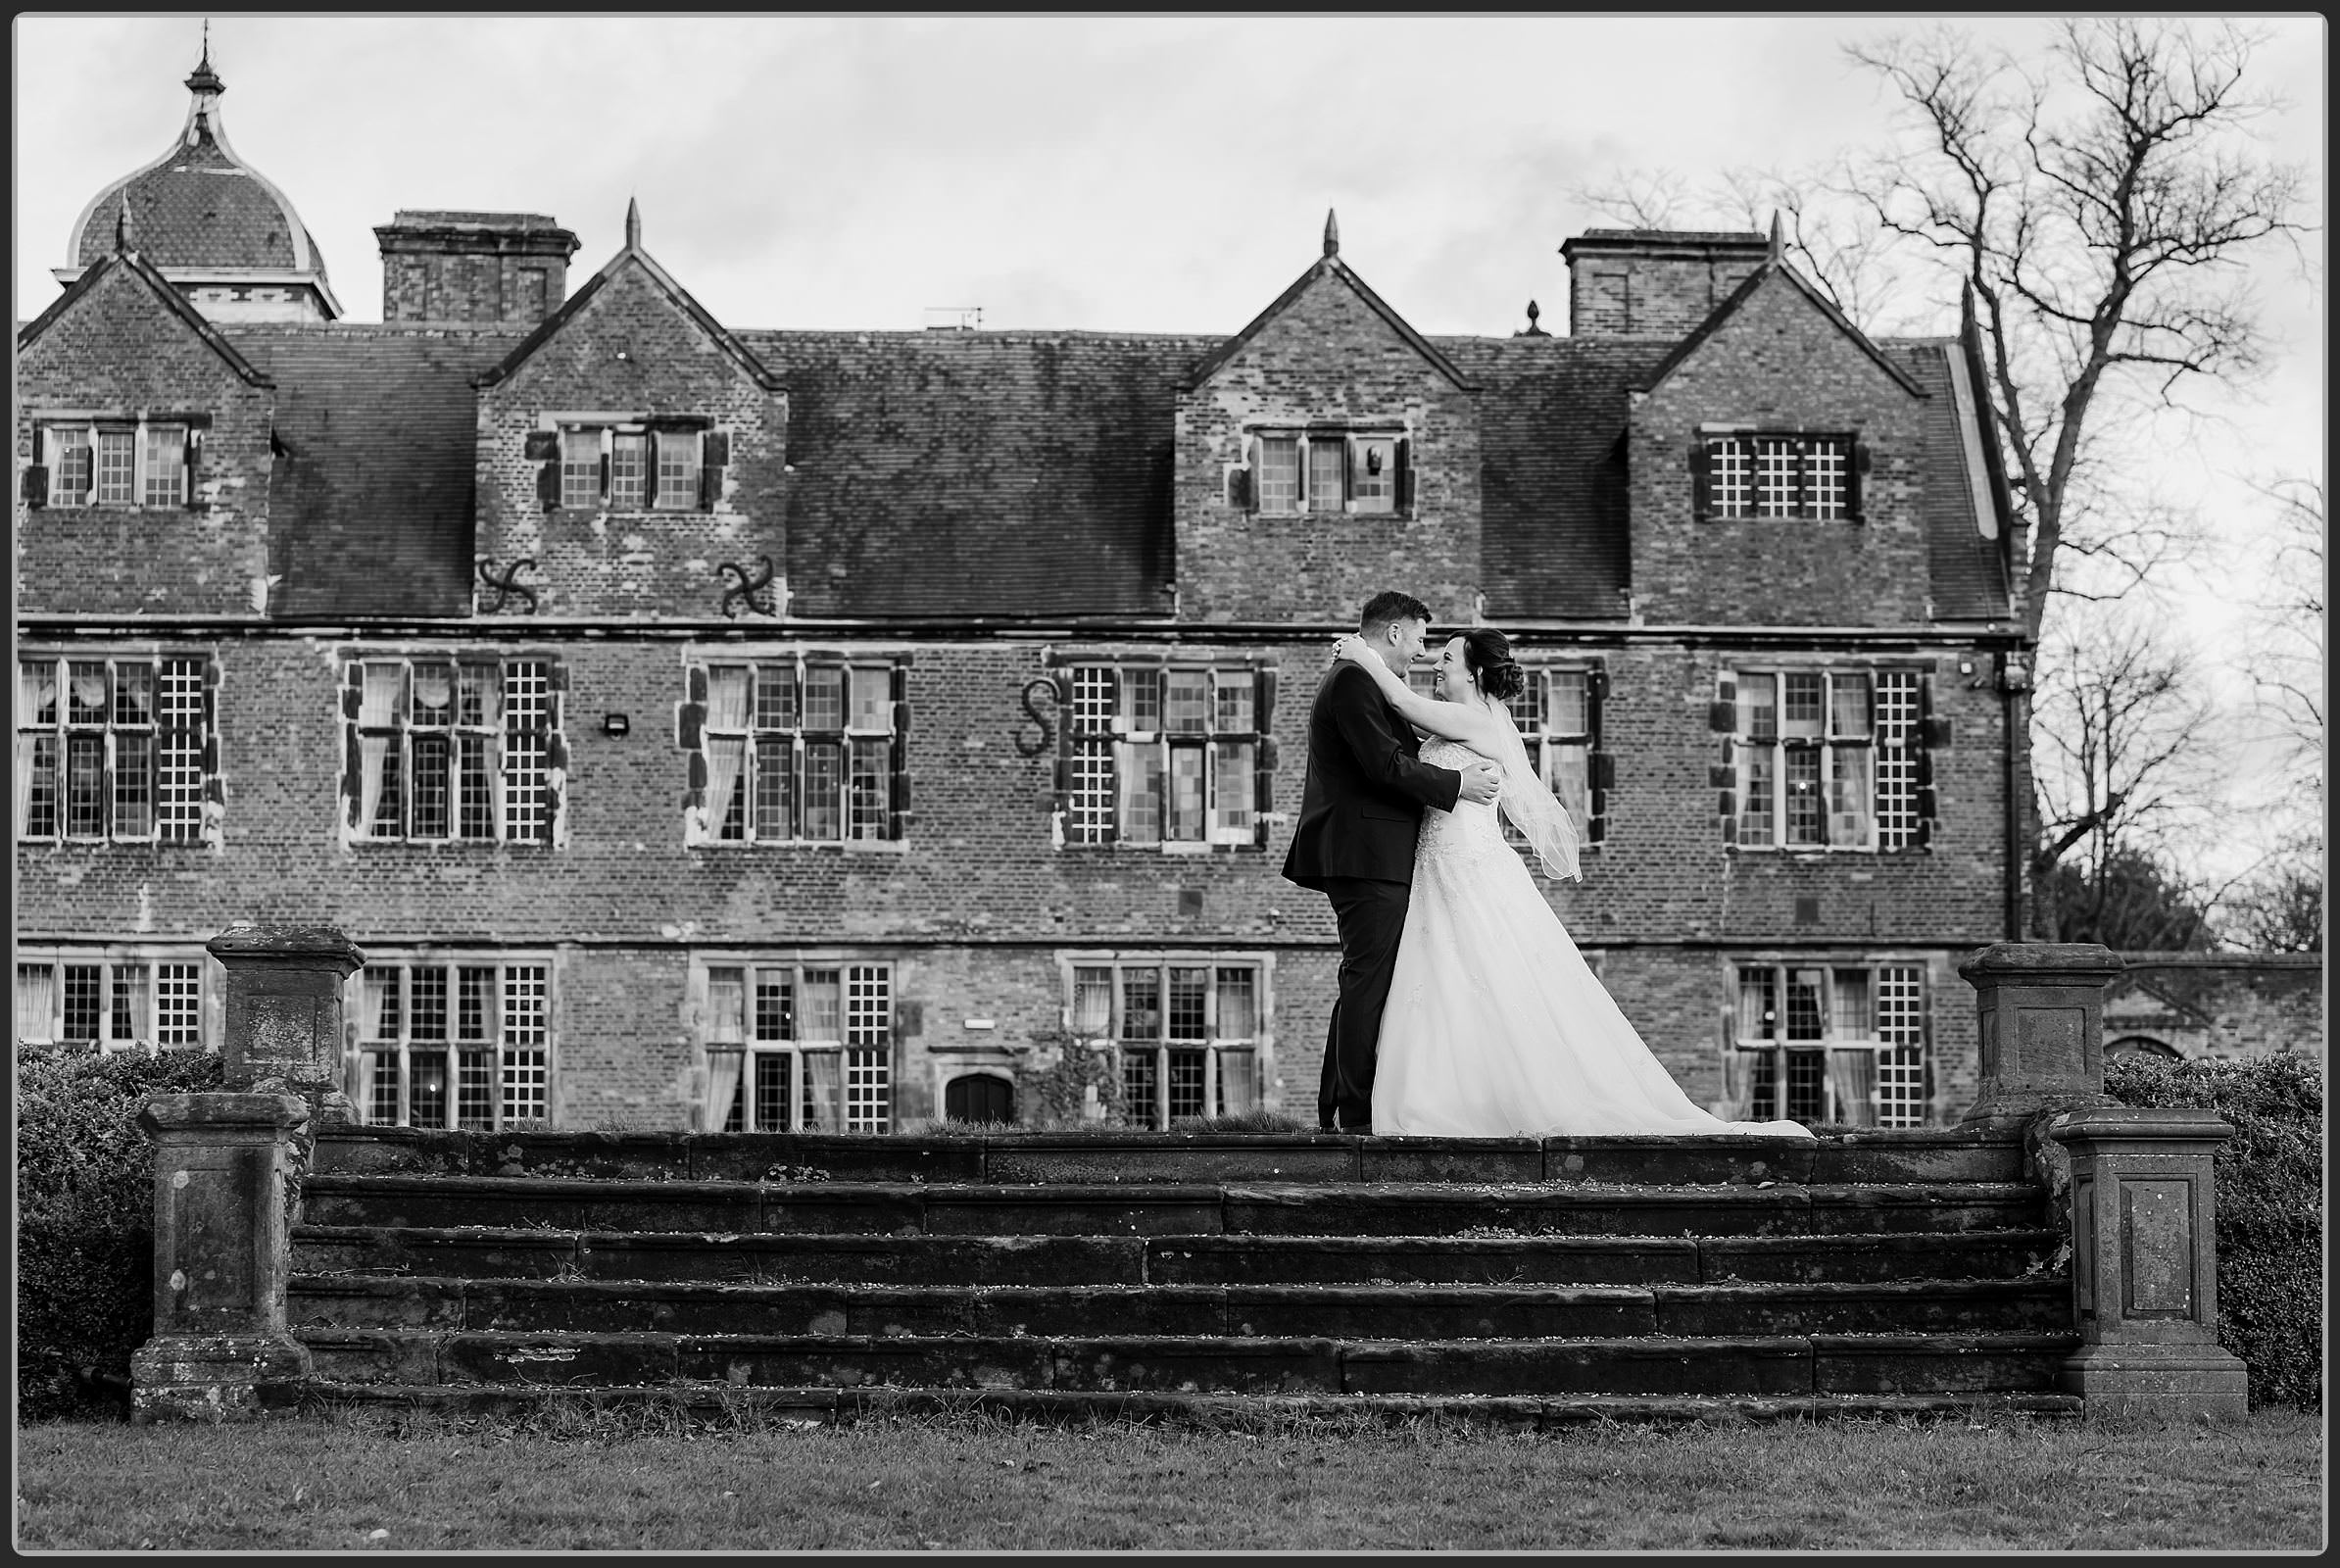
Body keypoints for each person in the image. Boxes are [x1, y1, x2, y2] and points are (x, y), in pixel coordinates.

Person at [1328, 624, 1815, 1140]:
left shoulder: (1475, 719)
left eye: (1447, 657)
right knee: (1447, 985)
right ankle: (1457, 1094)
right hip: (1436, 867)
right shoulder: (1454, 727)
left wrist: (1363, 654)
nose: (1436, 664)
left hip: (1466, 865)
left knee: (1482, 977)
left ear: (1472, 671)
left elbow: (1402, 702)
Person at [1281, 591, 1503, 1131]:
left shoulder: (1368, 680)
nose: (1423, 655)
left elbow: (1403, 741)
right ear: (1396, 633)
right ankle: (1354, 1117)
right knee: (1368, 982)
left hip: (1375, 855)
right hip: (1366, 856)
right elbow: (1386, 766)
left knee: (1364, 979)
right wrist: (1457, 784)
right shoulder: (1355, 681)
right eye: (1421, 641)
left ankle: (1340, 1104)